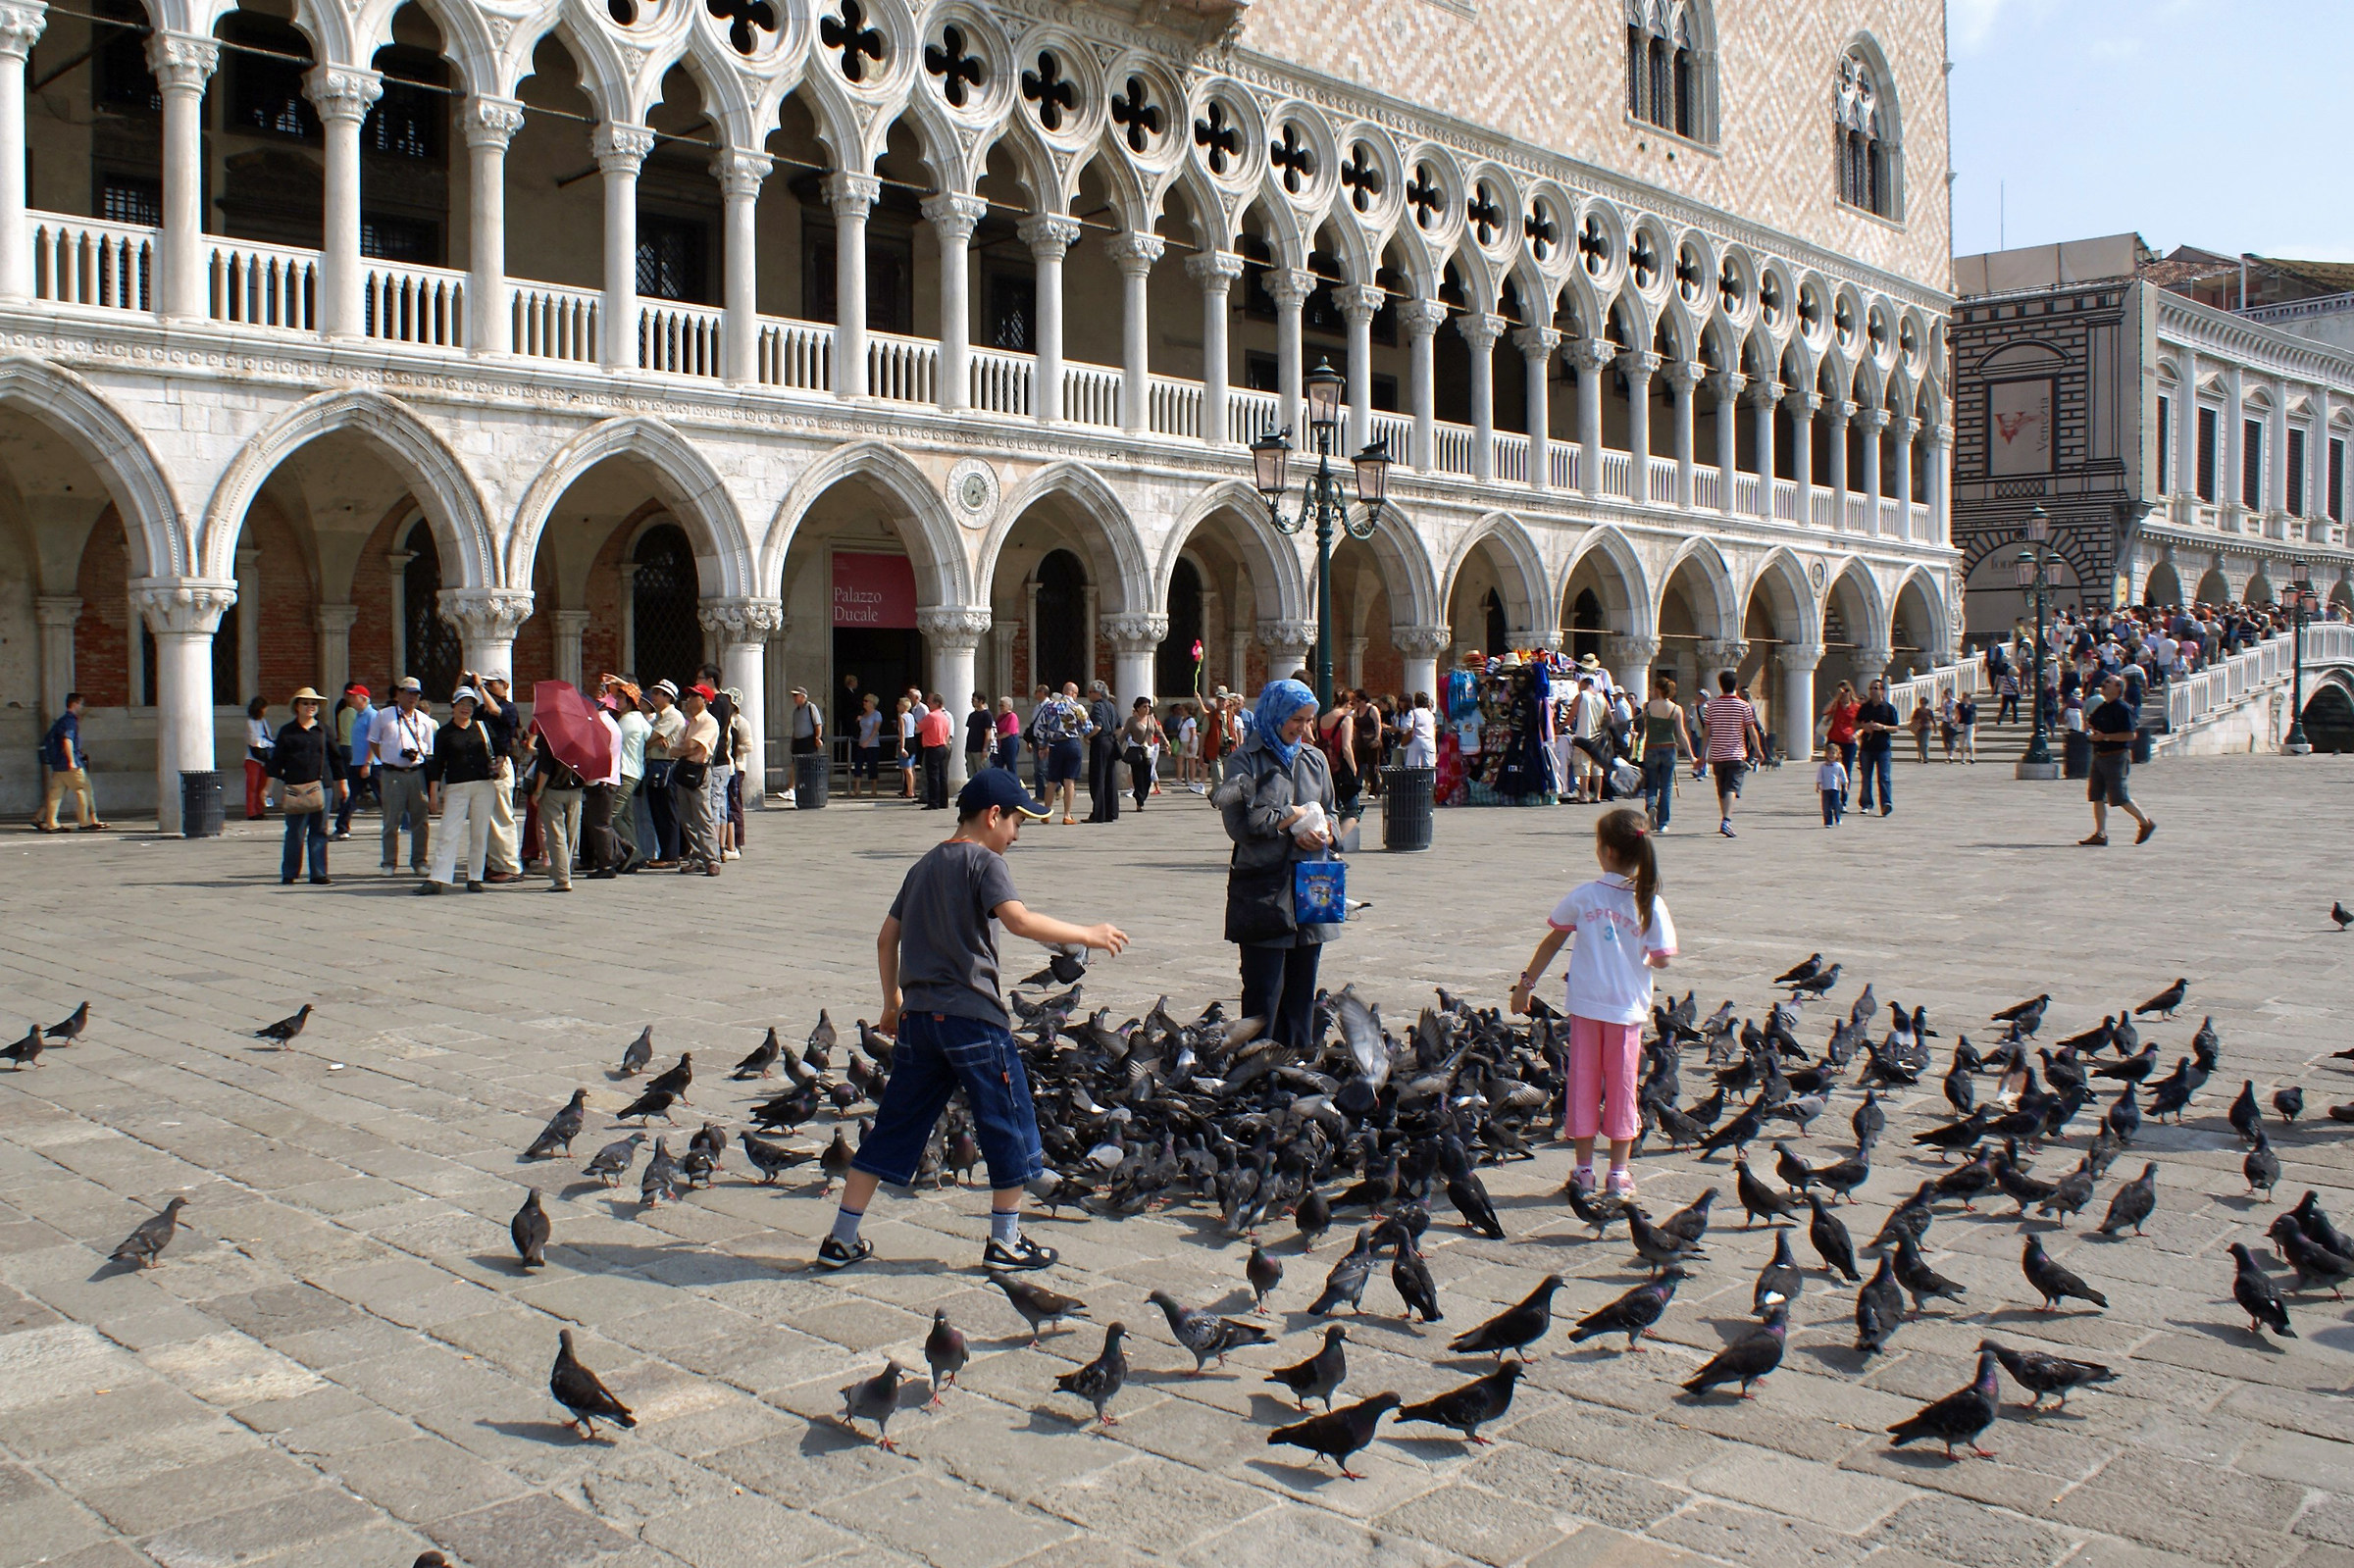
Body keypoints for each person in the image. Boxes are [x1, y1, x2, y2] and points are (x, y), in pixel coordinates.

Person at [818, 769, 1128, 1271]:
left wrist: (891, 1003)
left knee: (893, 1126)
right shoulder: (985, 862)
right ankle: (1005, 1242)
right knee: (1008, 1120)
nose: (1017, 834)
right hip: (973, 1018)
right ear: (992, 816)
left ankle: (841, 1238)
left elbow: (885, 939)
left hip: (920, 1019)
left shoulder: (922, 865)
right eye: (1017, 822)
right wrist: (1088, 933)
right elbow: (1019, 921)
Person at [1509, 807, 1674, 1198]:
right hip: (1626, 1012)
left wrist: (1525, 984)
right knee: (1621, 1090)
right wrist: (1642, 958)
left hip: (1585, 1008)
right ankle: (1619, 1172)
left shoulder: (1584, 896)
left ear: (1607, 852)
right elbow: (1663, 957)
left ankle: (1583, 1170)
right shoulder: (1649, 902)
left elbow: (1552, 940)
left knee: (1582, 1085)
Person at [1215, 680, 1340, 1054]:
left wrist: (1324, 834)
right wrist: (1291, 819)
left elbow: (1332, 812)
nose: (1303, 729)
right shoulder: (1244, 761)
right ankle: (1256, 1072)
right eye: (1296, 720)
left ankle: (1299, 1065)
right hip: (1264, 889)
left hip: (1313, 885)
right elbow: (1239, 826)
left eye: (1308, 720)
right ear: (1275, 714)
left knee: (1303, 992)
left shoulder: (1314, 760)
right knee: (1264, 992)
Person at [419, 686, 496, 894]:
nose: (466, 708)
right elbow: (437, 765)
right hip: (456, 786)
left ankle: (475, 877)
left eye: (470, 704)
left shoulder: (482, 728)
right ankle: (438, 878)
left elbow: (501, 748)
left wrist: (500, 763)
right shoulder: (444, 733)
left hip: (483, 784)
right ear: (453, 706)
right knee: (448, 832)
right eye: (462, 704)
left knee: (480, 832)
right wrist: (433, 793)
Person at [268, 687, 342, 884]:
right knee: (295, 831)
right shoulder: (287, 731)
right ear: (297, 706)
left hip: (321, 786)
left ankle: (319, 873)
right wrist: (266, 788)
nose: (310, 707)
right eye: (305, 703)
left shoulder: (324, 730)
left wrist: (343, 784)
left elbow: (336, 759)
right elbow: (276, 762)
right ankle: (290, 872)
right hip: (295, 788)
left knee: (319, 830)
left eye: (313, 703)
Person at [369, 677, 435, 874]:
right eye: (408, 693)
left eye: (415, 694)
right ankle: (389, 862)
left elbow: (429, 749)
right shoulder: (384, 715)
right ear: (399, 693)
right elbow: (373, 740)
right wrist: (387, 759)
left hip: (417, 772)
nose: (411, 697)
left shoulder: (424, 720)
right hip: (392, 773)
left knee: (420, 820)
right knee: (391, 820)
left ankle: (419, 861)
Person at [2082, 675, 2155, 847]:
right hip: (2100, 755)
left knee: (2119, 796)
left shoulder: (2123, 708)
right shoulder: (2102, 708)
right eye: (2104, 682)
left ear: (2118, 688)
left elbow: (2130, 734)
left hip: (2116, 756)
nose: (2104, 684)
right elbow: (2092, 724)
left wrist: (2105, 737)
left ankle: (2145, 822)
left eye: (2108, 682)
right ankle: (2100, 833)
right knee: (2096, 795)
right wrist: (2093, 734)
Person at [1699, 672, 1765, 838]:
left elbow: (1707, 732)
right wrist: (1758, 749)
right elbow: (1751, 730)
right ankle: (1726, 820)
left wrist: (1702, 755)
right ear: (1735, 685)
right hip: (1735, 753)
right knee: (1731, 787)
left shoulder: (1711, 707)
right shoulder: (1744, 706)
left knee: (1721, 788)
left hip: (1717, 753)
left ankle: (1724, 819)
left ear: (1721, 685)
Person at [472, 672, 523, 881]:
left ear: (505, 685)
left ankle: (510, 866)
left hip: (501, 763)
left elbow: (495, 710)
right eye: (486, 684)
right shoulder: (480, 709)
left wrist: (481, 689)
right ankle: (494, 862)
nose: (488, 687)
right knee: (488, 819)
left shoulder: (509, 708)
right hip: (484, 764)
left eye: (492, 684)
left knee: (502, 816)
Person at [531, 717, 588, 892]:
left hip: (553, 789)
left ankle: (562, 878)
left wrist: (538, 791)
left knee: (556, 835)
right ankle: (564, 870)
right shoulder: (582, 735)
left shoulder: (550, 735)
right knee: (571, 834)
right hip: (576, 790)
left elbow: (544, 767)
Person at [34, 692, 106, 833]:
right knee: (83, 790)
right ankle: (84, 822)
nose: (82, 706)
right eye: (81, 703)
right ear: (75, 704)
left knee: (56, 793)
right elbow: (68, 740)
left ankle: (51, 823)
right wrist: (72, 761)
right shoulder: (70, 721)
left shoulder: (61, 720)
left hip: (58, 764)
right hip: (69, 763)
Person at [673, 683, 724, 874]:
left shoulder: (708, 722)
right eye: (690, 695)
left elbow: (693, 746)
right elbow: (674, 749)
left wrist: (686, 749)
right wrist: (687, 749)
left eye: (695, 696)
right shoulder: (690, 724)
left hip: (699, 771)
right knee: (686, 818)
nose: (690, 699)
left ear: (705, 701)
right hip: (684, 769)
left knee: (703, 816)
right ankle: (697, 856)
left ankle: (712, 859)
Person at [1640, 675, 1695, 833]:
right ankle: (1663, 822)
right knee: (1666, 786)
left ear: (1657, 689)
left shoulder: (1647, 707)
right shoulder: (1676, 709)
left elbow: (1644, 727)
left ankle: (1651, 806)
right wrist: (1692, 757)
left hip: (1651, 747)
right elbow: (1682, 734)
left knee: (1651, 784)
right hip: (1669, 747)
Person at [605, 677, 649, 872]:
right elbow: (651, 736)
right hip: (636, 771)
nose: (617, 701)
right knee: (627, 816)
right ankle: (633, 858)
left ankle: (636, 853)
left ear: (629, 701)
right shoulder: (640, 719)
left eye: (621, 698)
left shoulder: (626, 721)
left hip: (625, 772)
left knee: (613, 815)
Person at [641, 681, 685, 867]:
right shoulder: (659, 716)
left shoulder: (672, 715)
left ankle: (670, 855)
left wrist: (650, 741)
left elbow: (651, 738)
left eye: (659, 693)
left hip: (666, 766)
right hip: (656, 765)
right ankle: (666, 853)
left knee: (667, 812)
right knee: (658, 811)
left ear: (668, 697)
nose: (654, 696)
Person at [1037, 682, 1088, 824]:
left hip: (1056, 744)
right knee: (1069, 781)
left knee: (1052, 780)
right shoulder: (1078, 707)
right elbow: (1087, 727)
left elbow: (1042, 728)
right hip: (1072, 743)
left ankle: (1046, 813)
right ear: (1073, 693)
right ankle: (1067, 815)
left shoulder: (1050, 707)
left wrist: (1043, 746)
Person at [1852, 678, 1899, 817]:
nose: (1873, 691)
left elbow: (1895, 728)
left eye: (1876, 688)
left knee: (1884, 777)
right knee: (1866, 776)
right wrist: (1863, 726)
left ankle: (1886, 804)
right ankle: (1866, 803)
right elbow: (1855, 723)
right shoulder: (1865, 707)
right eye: (1871, 689)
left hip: (1883, 748)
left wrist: (1882, 727)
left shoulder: (1888, 708)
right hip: (1866, 747)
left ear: (1882, 691)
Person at [332, 683, 372, 838]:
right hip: (357, 762)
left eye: (353, 696)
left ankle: (401, 822)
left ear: (363, 699)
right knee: (351, 796)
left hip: (370, 764)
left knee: (384, 797)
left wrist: (368, 763)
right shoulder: (357, 715)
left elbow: (374, 741)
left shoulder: (372, 715)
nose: (351, 699)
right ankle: (342, 828)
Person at [1084, 681, 1121, 823]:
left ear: (1097, 693)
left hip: (1100, 743)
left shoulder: (1097, 706)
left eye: (1090, 692)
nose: (1088, 695)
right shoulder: (1112, 706)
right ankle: (1111, 811)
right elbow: (1119, 727)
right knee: (1110, 778)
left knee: (1097, 778)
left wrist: (1087, 737)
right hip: (1111, 742)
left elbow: (1097, 726)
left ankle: (1098, 813)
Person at [1121, 698, 1161, 812]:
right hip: (1136, 751)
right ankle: (1139, 801)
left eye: (1148, 706)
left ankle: (1142, 795)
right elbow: (1124, 734)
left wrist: (1166, 742)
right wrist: (1116, 747)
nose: (1147, 709)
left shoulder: (1151, 719)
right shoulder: (1132, 721)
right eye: (1144, 706)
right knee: (1138, 776)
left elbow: (1158, 731)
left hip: (1149, 750)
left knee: (1147, 776)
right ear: (1137, 708)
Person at [918, 691, 955, 810]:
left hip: (932, 747)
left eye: (930, 702)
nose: (928, 704)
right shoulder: (944, 717)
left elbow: (918, 728)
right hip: (942, 747)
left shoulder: (931, 716)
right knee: (942, 775)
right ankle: (943, 801)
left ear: (936, 703)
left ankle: (933, 801)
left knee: (932, 776)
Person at [789, 684, 825, 796]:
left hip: (808, 741)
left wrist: (817, 738)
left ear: (803, 696)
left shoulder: (810, 707)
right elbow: (795, 728)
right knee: (795, 765)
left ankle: (811, 788)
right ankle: (791, 789)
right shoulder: (796, 711)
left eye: (796, 695)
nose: (794, 698)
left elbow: (818, 724)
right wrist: (793, 742)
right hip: (798, 741)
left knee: (809, 765)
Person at [243, 696, 275, 820]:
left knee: (262, 785)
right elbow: (254, 740)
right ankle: (251, 812)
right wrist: (267, 743)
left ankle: (260, 809)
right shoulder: (250, 722)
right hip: (253, 758)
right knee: (252, 785)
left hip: (264, 758)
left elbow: (268, 737)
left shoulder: (264, 722)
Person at [850, 692, 883, 796]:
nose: (864, 703)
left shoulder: (877, 714)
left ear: (872, 703)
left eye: (866, 701)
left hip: (872, 744)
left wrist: (868, 741)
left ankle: (874, 789)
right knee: (858, 765)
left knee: (872, 766)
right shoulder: (863, 714)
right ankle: (857, 789)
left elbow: (875, 729)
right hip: (861, 742)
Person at [1400, 691, 1438, 768]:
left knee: (1414, 773)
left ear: (1415, 702)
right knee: (1429, 772)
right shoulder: (1431, 715)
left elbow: (1408, 729)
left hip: (1416, 746)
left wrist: (1403, 742)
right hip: (1430, 745)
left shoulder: (1413, 713)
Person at [964, 693, 994, 784]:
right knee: (972, 773)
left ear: (981, 701)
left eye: (974, 700)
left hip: (980, 749)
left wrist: (985, 748)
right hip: (970, 748)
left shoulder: (986, 715)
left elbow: (988, 732)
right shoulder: (972, 715)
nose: (972, 702)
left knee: (982, 773)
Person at [896, 694, 921, 799]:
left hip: (906, 740)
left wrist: (902, 747)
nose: (897, 706)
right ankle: (912, 789)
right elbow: (917, 727)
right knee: (912, 768)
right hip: (912, 740)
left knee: (907, 769)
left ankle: (910, 791)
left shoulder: (902, 717)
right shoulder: (911, 716)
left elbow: (902, 733)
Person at [1817, 751, 1848, 829]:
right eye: (1829, 753)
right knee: (1826, 806)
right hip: (1825, 789)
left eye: (1833, 753)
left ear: (1837, 755)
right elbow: (1819, 776)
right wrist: (1818, 785)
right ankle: (1828, 822)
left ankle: (1838, 817)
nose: (1831, 755)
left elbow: (1843, 776)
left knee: (1836, 805)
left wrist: (1845, 785)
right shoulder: (1823, 766)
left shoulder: (1839, 766)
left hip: (1835, 789)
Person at [1955, 690, 1978, 763]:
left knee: (1970, 741)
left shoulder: (1972, 706)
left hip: (1970, 724)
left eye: (1966, 697)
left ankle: (1972, 757)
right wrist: (1956, 722)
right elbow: (1957, 714)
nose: (1964, 698)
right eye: (1963, 697)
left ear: (1969, 698)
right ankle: (1963, 758)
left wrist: (1977, 724)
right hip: (1961, 724)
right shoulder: (1959, 706)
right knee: (1962, 742)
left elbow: (1975, 716)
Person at [1908, 697, 1932, 766]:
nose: (1923, 705)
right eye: (1921, 703)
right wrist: (1916, 721)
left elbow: (1932, 719)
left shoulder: (1929, 711)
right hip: (1918, 729)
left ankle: (1925, 757)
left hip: (1927, 729)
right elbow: (1913, 718)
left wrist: (1935, 728)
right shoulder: (1917, 711)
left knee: (1925, 743)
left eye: (1924, 703)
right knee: (1919, 743)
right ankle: (1920, 757)